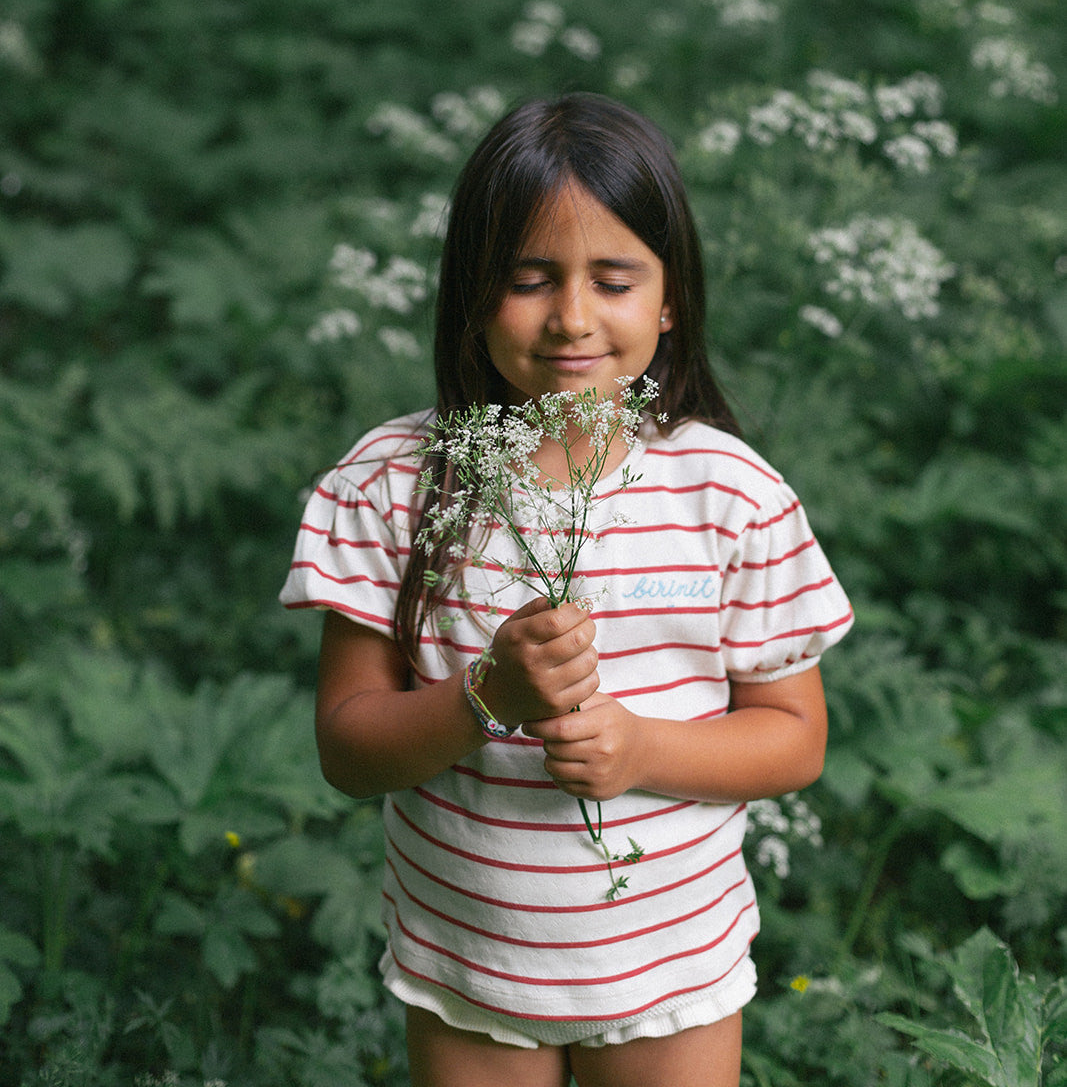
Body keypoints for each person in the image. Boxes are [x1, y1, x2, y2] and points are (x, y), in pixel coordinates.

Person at [280, 93, 853, 1087]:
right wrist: (482, 700)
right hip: (472, 960)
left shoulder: (731, 494)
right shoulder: (392, 484)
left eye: (614, 279)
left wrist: (640, 748)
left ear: (669, 298)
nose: (572, 318)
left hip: (673, 963)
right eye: (528, 279)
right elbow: (347, 746)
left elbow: (792, 735)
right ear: (470, 292)